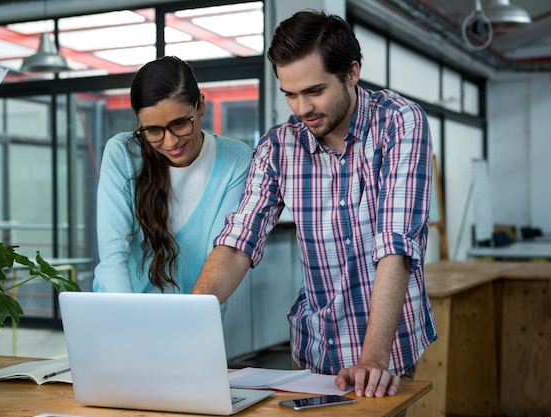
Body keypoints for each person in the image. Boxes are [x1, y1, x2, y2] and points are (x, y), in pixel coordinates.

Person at [192, 10, 437, 400]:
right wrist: (188, 320)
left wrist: (373, 358)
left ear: (352, 72)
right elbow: (238, 241)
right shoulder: (277, 146)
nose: (301, 108)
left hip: (389, 347)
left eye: (314, 91)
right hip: (315, 347)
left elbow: (396, 244)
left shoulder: (399, 123)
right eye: (290, 94)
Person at [93, 56, 252, 296]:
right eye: (153, 130)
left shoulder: (236, 159)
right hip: (122, 310)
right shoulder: (122, 153)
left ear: (201, 106)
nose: (171, 142)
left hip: (195, 313)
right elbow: (113, 256)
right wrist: (125, 320)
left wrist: (192, 318)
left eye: (180, 124)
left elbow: (223, 252)